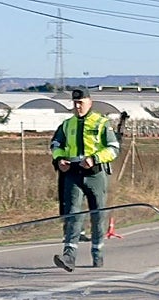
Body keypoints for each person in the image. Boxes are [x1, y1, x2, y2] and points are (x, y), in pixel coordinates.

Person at [50, 88, 119, 272]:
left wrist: (95, 159)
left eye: (81, 103)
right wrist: (59, 159)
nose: (77, 106)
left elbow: (113, 148)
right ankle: (69, 256)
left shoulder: (101, 123)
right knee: (73, 213)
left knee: (98, 214)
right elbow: (56, 144)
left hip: (95, 174)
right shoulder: (67, 124)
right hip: (73, 173)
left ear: (90, 102)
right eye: (75, 103)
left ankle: (97, 253)